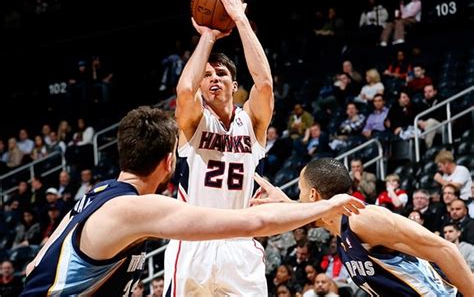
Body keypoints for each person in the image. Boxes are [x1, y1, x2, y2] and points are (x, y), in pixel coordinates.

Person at [21, 106, 363, 296]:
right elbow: (255, 223)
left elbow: (34, 265)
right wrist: (323, 206)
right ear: (170, 163)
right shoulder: (139, 207)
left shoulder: (97, 192)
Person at [164, 0, 275, 296]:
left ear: (234, 83)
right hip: (194, 240)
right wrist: (208, 36)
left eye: (221, 74)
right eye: (208, 76)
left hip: (239, 244)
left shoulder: (251, 121)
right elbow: (185, 89)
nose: (213, 79)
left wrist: (240, 20)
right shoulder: (195, 121)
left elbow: (264, 84)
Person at [252, 159, 474, 296]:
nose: (298, 199)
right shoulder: (335, 224)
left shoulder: (363, 218)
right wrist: (286, 204)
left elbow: (446, 249)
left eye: (299, 192)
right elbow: (311, 215)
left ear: (313, 195)